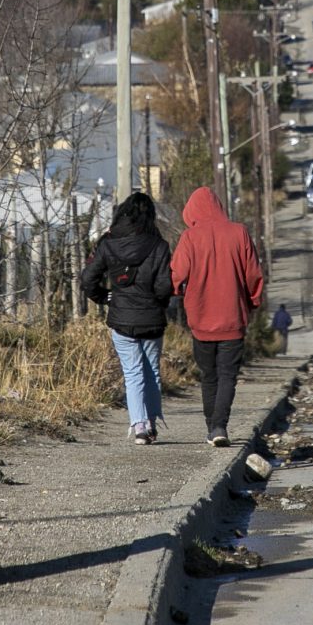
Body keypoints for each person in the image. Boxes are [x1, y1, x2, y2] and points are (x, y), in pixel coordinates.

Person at [170, 187, 265, 447]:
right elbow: (253, 274)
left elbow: (177, 274)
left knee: (208, 375)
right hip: (233, 316)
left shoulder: (190, 237)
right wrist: (253, 301)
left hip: (201, 319)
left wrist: (176, 291)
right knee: (227, 375)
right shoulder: (239, 233)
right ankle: (219, 425)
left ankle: (212, 425)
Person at [82, 191, 174, 445]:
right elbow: (165, 286)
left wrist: (105, 297)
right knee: (152, 371)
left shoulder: (108, 243)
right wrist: (157, 302)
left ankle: (139, 426)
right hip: (153, 318)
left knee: (133, 373)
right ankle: (152, 422)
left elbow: (88, 279)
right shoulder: (160, 245)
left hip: (121, 319)